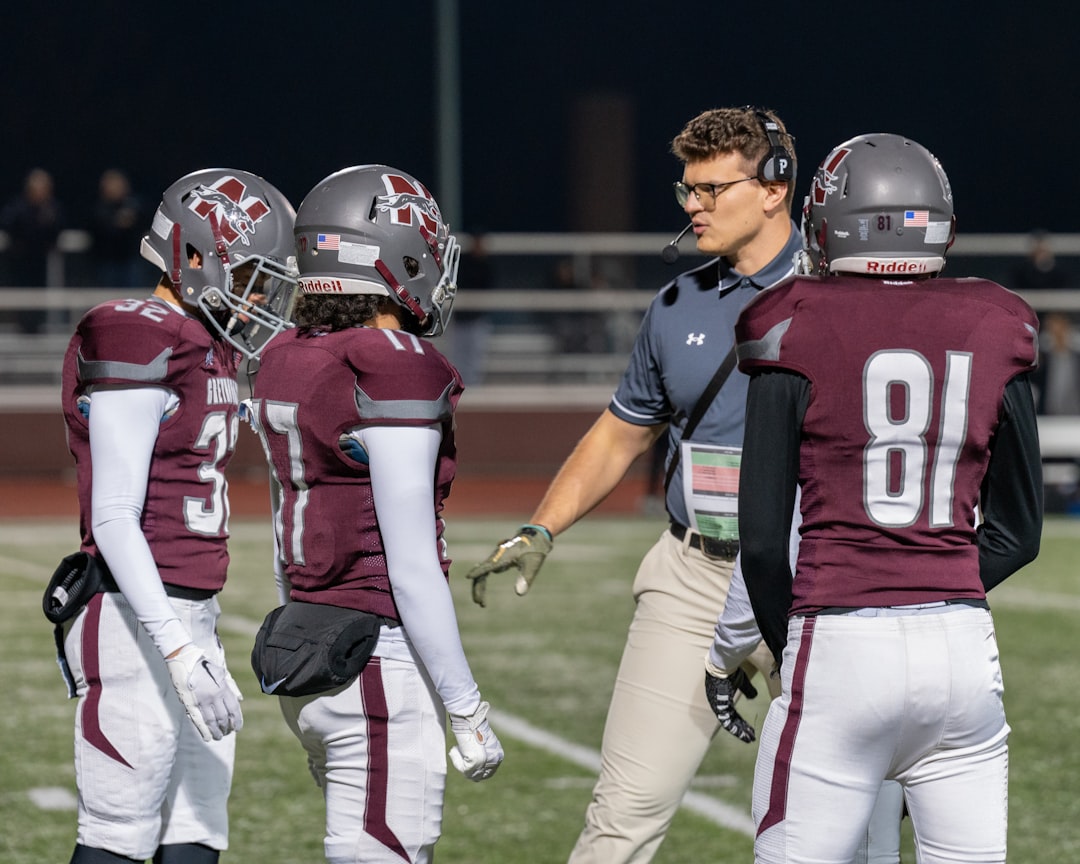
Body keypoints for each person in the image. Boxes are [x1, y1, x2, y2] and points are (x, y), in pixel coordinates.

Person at [467, 106, 802, 863]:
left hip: (807, 580)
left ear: (775, 187)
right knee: (620, 816)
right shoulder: (677, 305)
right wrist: (541, 526)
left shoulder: (841, 297)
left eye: (714, 189)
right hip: (694, 575)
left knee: (835, 822)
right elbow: (623, 430)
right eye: (687, 190)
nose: (694, 207)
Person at [734, 133, 1042, 863]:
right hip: (963, 653)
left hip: (841, 639)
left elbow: (759, 540)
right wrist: (934, 584)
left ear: (829, 225)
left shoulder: (792, 320)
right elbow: (1019, 534)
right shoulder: (997, 323)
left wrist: (788, 642)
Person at [246, 164, 504, 864]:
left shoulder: (285, 355)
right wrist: (468, 709)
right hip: (376, 661)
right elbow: (412, 565)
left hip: (305, 650)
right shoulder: (392, 362)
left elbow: (281, 531)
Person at [57, 168, 298, 864]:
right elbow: (112, 516)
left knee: (197, 837)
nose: (259, 298)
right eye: (251, 276)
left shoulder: (208, 343)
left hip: (194, 617)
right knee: (117, 840)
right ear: (195, 256)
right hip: (136, 621)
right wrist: (177, 651)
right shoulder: (136, 333)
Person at [1, 167, 66, 332]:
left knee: (42, 296)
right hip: (20, 262)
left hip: (42, 262)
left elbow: (57, 231)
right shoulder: (18, 207)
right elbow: (10, 228)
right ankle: (22, 327)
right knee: (20, 296)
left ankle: (38, 326)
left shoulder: (52, 208)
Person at [91, 168, 148, 289]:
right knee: (108, 299)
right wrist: (116, 223)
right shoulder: (98, 208)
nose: (116, 188)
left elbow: (143, 224)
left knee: (133, 298)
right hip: (106, 262)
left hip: (130, 260)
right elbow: (99, 230)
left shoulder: (133, 205)